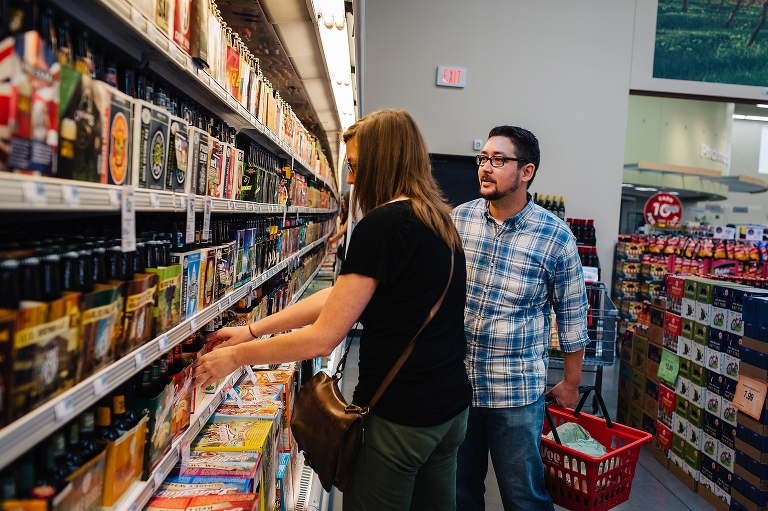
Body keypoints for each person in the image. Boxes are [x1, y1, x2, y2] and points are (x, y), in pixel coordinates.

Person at [193, 109, 473, 511]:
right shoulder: (440, 221)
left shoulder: (382, 224)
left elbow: (325, 337)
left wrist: (236, 357)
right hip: (449, 412)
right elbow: (341, 297)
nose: (353, 180)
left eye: (357, 166)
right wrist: (253, 330)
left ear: (383, 161)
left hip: (400, 416)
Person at [450, 126, 590, 511]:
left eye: (498, 160)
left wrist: (571, 383)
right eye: (484, 159)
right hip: (457, 386)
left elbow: (573, 316)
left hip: (515, 394)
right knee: (459, 493)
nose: (486, 168)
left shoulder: (555, 236)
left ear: (526, 171)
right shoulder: (458, 220)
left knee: (524, 496)